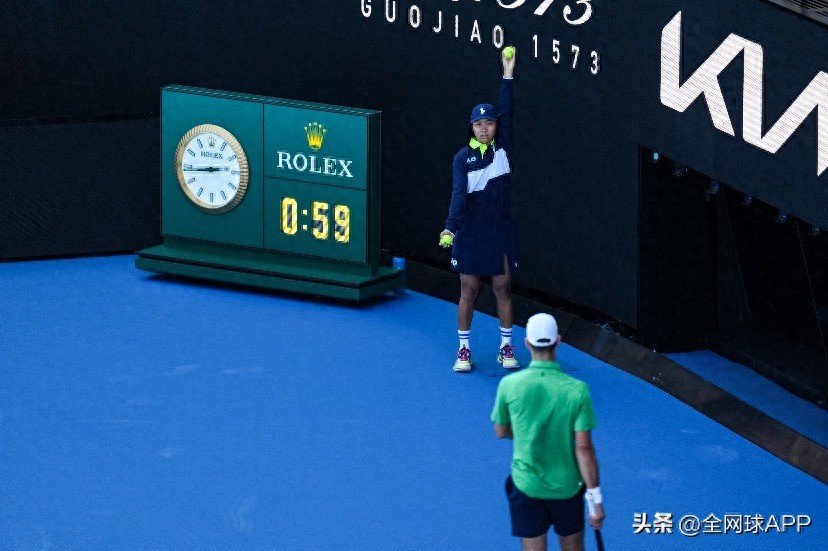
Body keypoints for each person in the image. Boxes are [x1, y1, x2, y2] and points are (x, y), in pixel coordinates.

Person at [491, 313, 605, 551]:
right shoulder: (577, 390)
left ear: (526, 343)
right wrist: (596, 500)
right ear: (559, 341)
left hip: (527, 485)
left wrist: (524, 431)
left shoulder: (509, 385)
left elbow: (501, 431)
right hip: (568, 487)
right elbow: (583, 448)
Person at [439, 47, 520, 373]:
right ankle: (463, 350)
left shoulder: (504, 149)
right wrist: (450, 227)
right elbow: (459, 194)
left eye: (489, 123)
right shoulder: (462, 159)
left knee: (503, 288)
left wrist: (507, 74)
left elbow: (509, 112)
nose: (485, 128)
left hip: (498, 231)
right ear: (471, 128)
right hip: (471, 232)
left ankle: (506, 347)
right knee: (468, 291)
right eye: (479, 124)